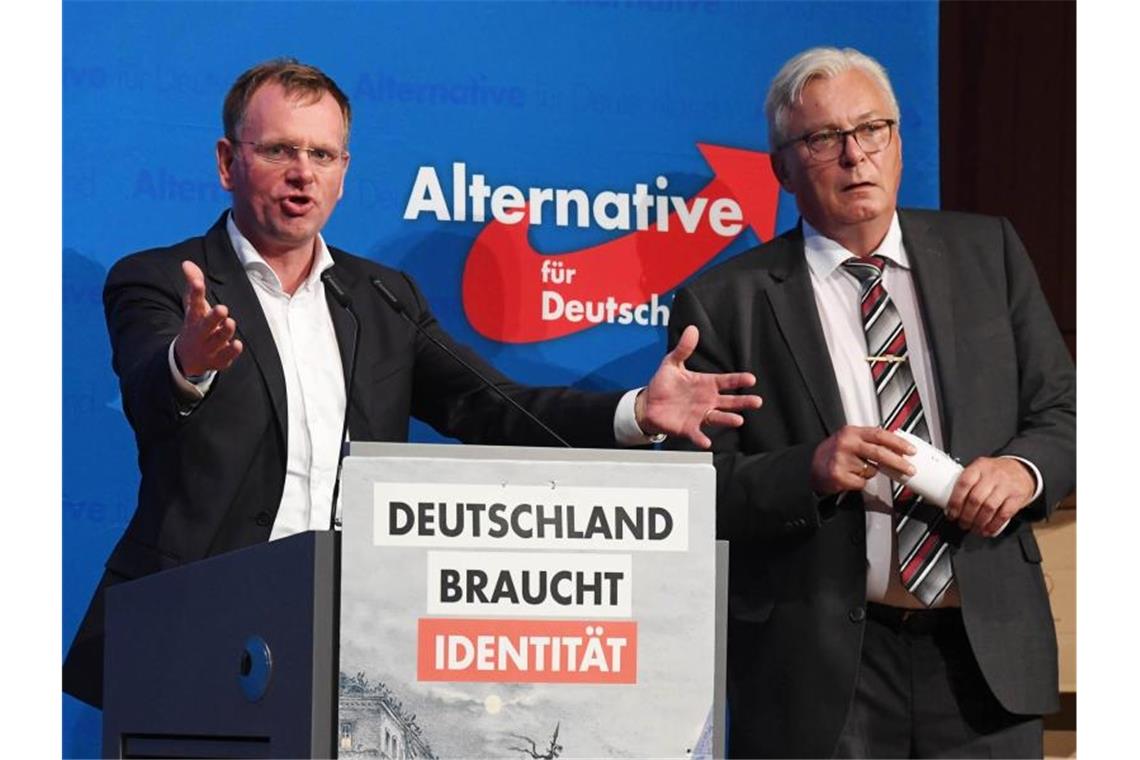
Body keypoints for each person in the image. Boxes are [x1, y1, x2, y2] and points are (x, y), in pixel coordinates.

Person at [62, 58, 761, 709]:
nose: (301, 173)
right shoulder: (161, 280)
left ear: (344, 172)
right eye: (279, 150)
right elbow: (153, 397)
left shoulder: (381, 298)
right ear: (227, 163)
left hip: (349, 642)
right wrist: (190, 361)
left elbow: (492, 407)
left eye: (322, 155)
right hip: (192, 630)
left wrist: (637, 412)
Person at [666, 47, 1075, 758]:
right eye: (824, 139)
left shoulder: (989, 253)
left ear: (898, 140)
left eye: (873, 129)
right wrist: (810, 471)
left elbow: (1067, 415)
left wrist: (1023, 471)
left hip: (983, 658)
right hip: (822, 669)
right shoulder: (726, 302)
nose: (856, 155)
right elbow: (697, 490)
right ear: (781, 169)